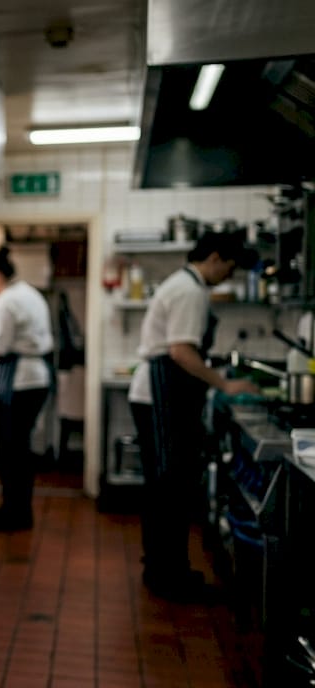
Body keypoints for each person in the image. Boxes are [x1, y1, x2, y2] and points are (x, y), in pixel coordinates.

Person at [127, 230, 258, 600]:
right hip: (161, 394)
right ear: (215, 257)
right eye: (229, 269)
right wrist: (224, 384)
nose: (227, 278)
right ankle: (168, 574)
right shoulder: (190, 291)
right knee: (169, 487)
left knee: (164, 486)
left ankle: (162, 568)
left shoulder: (184, 285)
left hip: (160, 393)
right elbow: (182, 352)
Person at [0, 247, 55, 531]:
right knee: (20, 449)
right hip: (37, 379)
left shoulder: (5, 302)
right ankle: (19, 510)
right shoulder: (29, 293)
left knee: (12, 451)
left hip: (19, 381)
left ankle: (16, 513)